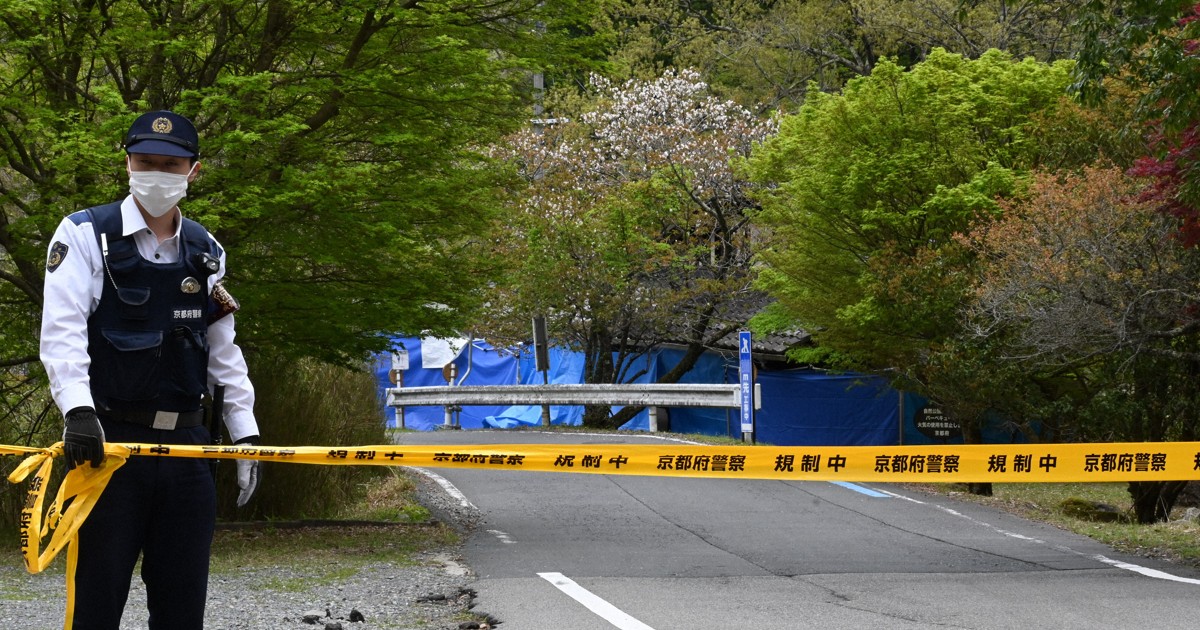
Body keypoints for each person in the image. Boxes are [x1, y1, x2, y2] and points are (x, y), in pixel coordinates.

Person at [39, 110, 261, 630]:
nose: (157, 173)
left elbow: (222, 349)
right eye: (145, 161)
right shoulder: (85, 234)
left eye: (170, 163)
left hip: (188, 449)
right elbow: (62, 330)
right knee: (96, 601)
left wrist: (246, 434)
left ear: (193, 171)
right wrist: (77, 409)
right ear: (127, 163)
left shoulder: (206, 251)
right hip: (110, 447)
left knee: (182, 608)